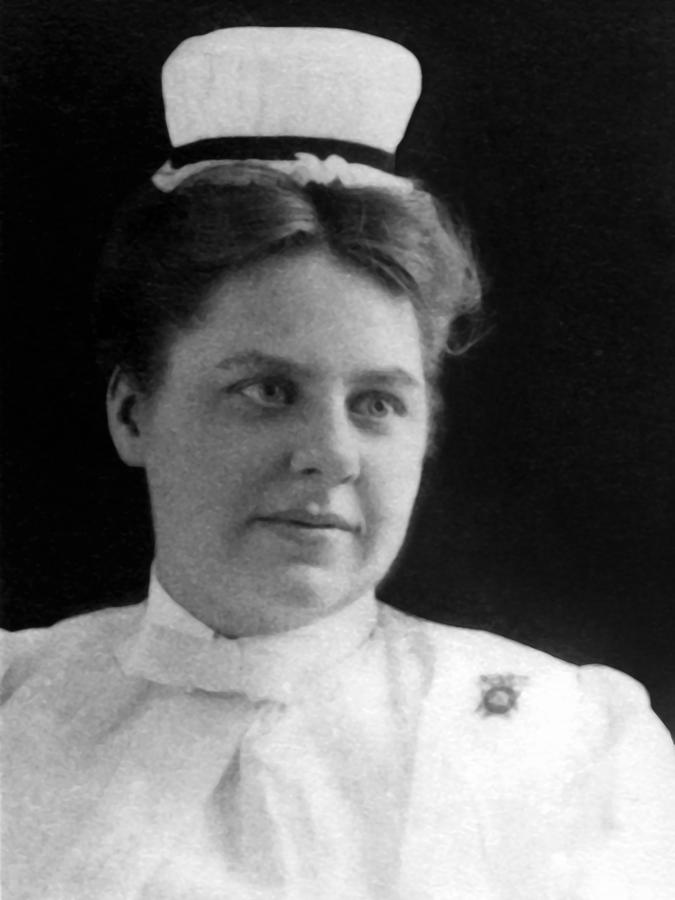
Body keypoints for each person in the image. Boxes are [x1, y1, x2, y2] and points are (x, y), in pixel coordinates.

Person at [2, 26, 674, 900]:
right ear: (134, 412)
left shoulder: (566, 739)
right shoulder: (14, 704)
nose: (330, 455)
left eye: (377, 404)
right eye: (267, 391)